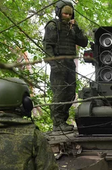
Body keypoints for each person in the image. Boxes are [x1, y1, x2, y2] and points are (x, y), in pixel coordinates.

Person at [43, 0, 89, 131]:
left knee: (70, 93)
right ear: (59, 13)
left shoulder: (72, 27)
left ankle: (62, 121)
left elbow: (84, 42)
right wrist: (54, 64)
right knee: (60, 93)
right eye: (65, 14)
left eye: (70, 14)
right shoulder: (53, 25)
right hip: (58, 63)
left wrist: (76, 29)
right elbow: (47, 46)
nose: (67, 16)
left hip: (70, 64)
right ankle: (57, 123)